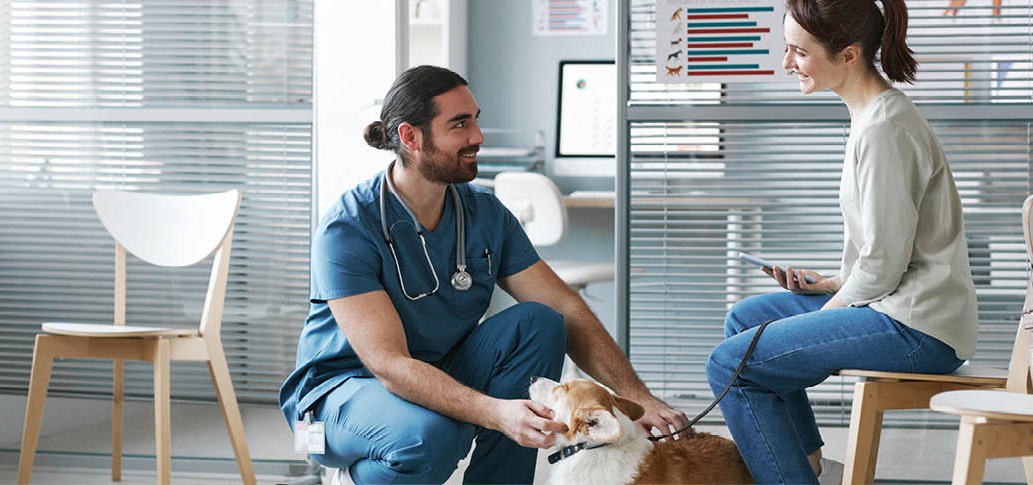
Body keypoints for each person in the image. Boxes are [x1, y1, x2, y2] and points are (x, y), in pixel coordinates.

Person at [279, 65, 688, 485]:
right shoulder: (349, 228)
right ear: (410, 137)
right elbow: (388, 364)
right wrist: (495, 412)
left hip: (435, 370)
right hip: (338, 396)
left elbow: (564, 308)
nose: (478, 135)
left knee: (540, 322)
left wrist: (637, 397)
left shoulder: (483, 213)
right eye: (460, 124)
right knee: (428, 437)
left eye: (475, 119)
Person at [705, 0, 978, 483]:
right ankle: (810, 467)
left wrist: (825, 313)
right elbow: (888, 251)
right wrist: (831, 284)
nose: (787, 63)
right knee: (746, 319)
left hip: (919, 327)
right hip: (897, 306)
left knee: (731, 363)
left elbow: (884, 265)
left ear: (848, 54)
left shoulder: (884, 130)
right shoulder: (872, 116)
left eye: (799, 52)